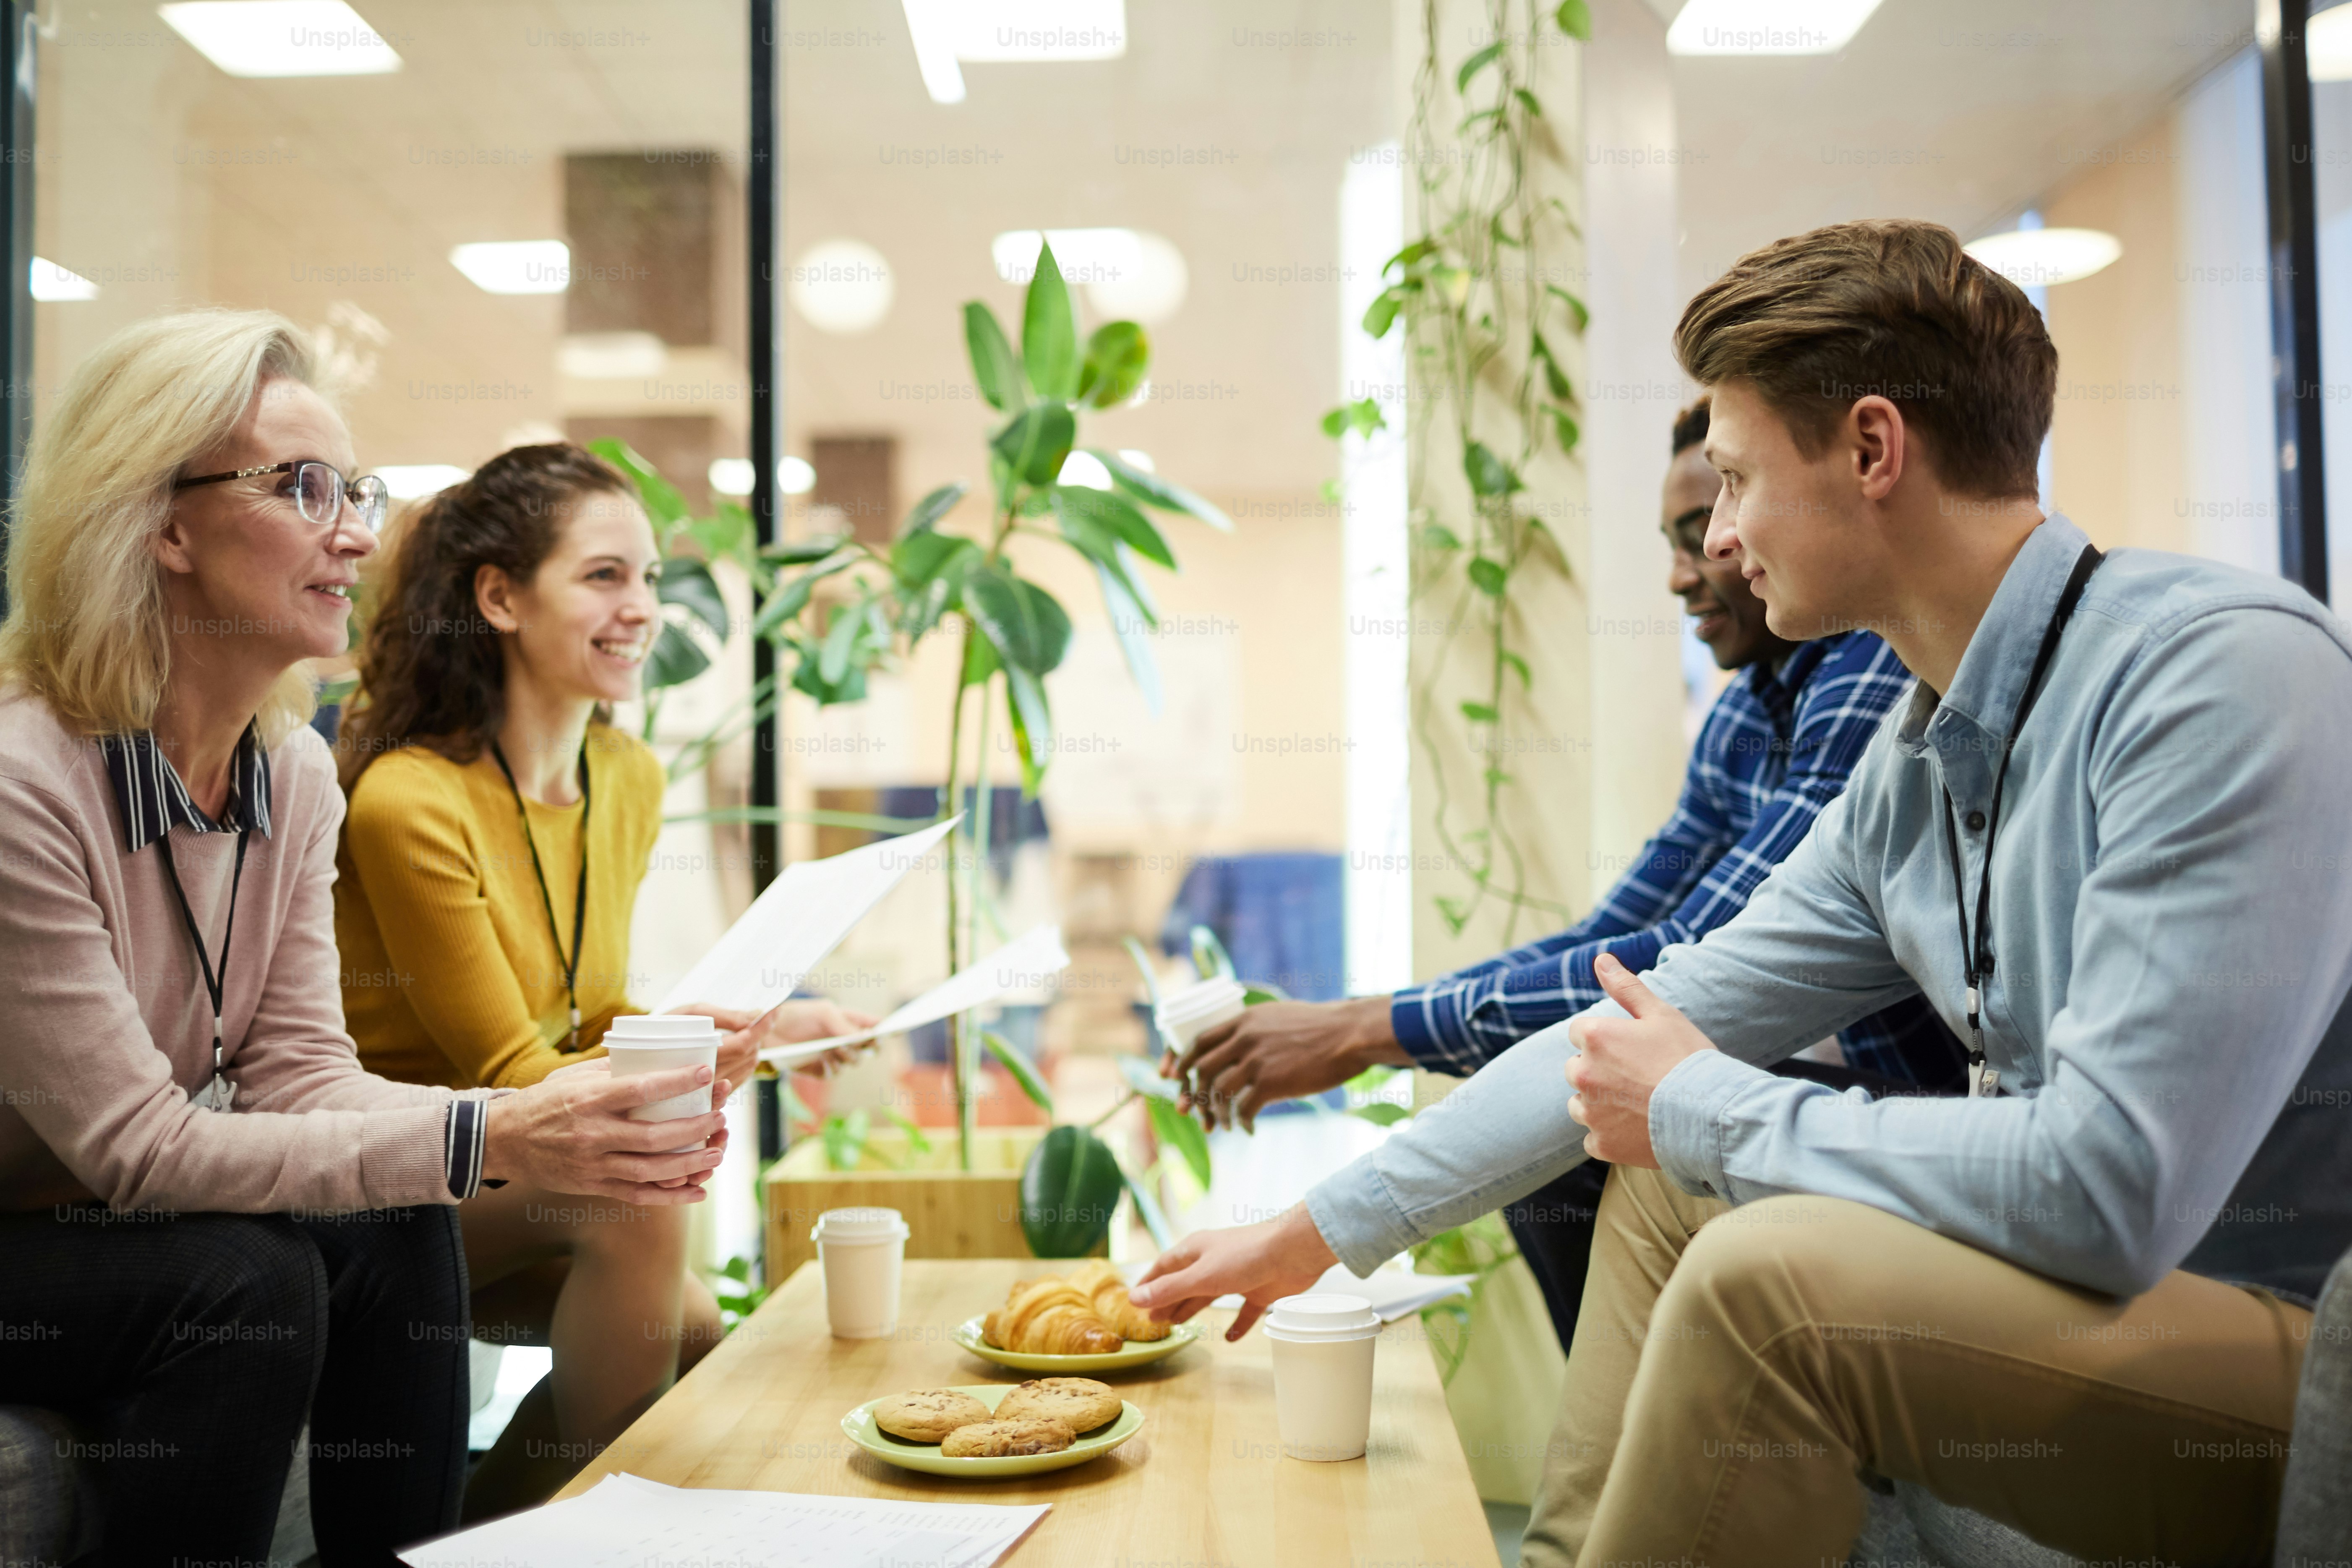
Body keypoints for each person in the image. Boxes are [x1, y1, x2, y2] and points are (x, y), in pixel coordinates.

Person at [1133, 219, 2352, 1567]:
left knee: (1761, 1270)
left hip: (2265, 1346)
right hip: (2077, 1300)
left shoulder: (2217, 677)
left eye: (1730, 482)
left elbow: (2108, 1190)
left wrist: (1702, 1100)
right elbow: (1640, 1015)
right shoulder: (1913, 766)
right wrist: (1310, 1233)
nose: (1715, 538)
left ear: (1871, 451)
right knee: (1664, 1181)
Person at [0, 310, 732, 1566]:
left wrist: (478, 1139)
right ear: (161, 525)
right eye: (301, 488)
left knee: (398, 1220)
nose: (355, 530)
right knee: (246, 1281)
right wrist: (493, 1128)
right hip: (30, 1229)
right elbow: (132, 1148)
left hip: (96, 1216)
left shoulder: (291, 773)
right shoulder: (28, 777)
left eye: (357, 489)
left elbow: (296, 1077)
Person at [1166, 396, 1961, 1350]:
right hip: (1882, 1105)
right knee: (1577, 1115)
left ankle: (1668, 1461)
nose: (1697, 560)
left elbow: (1677, 965)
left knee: (1590, 1112)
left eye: (1730, 501)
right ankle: (1641, 1460)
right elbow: (1618, 937)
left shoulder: (1873, 678)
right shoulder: (1752, 707)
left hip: (1941, 1116)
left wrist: (1364, 1034)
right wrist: (1360, 1028)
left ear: (1867, 464)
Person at [332, 441, 875, 1516]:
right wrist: (671, 1065)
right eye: (603, 576)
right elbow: (518, 1074)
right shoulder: (411, 801)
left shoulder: (623, 774)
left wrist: (744, 1026)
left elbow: (588, 1017)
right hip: (399, 1172)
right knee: (634, 1186)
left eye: (650, 579)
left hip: (509, 1164)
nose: (641, 609)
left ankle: (475, 1543)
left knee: (691, 1326)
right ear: (499, 597)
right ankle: (607, 1547)